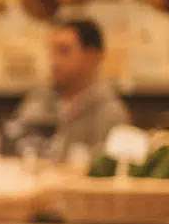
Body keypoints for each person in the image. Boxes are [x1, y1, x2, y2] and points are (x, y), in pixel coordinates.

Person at [13, 18, 131, 158]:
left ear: (93, 57)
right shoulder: (36, 102)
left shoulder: (111, 115)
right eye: (52, 52)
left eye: (64, 51)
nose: (54, 61)